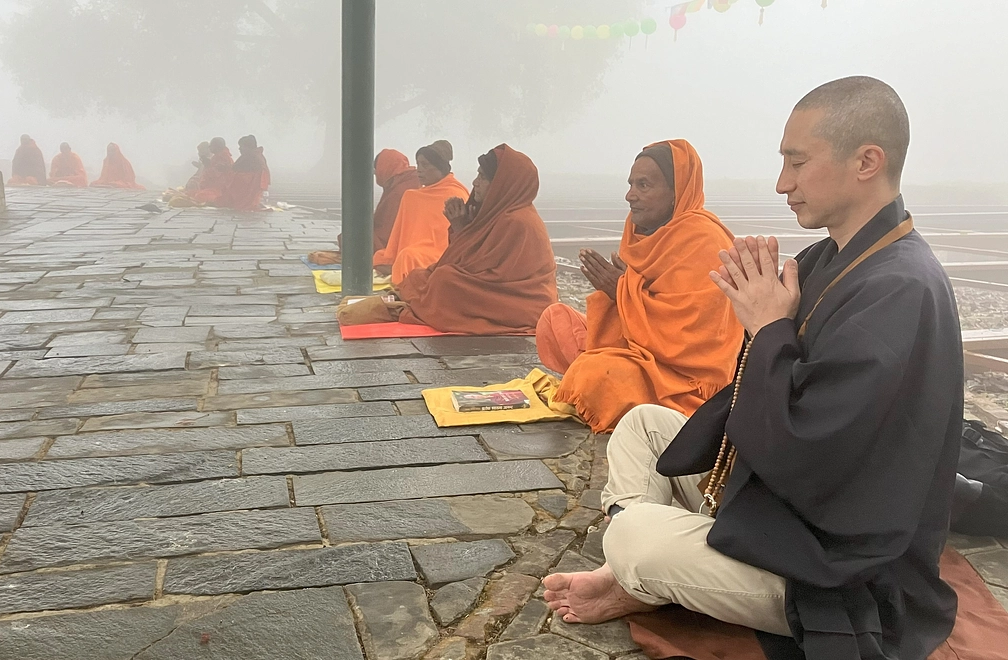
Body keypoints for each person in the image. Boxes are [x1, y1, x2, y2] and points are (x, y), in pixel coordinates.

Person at [543, 76, 963, 660]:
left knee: (637, 536)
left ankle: (638, 571)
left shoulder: (899, 289)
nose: (781, 183)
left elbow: (810, 455)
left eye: (797, 162)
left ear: (868, 161)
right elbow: (755, 393)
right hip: (781, 502)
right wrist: (759, 328)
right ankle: (647, 570)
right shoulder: (830, 257)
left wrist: (767, 329)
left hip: (840, 568)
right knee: (642, 423)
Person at [536, 140, 743, 433]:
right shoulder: (643, 231)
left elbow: (691, 338)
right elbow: (634, 308)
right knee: (555, 319)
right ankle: (604, 376)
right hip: (640, 351)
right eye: (631, 184)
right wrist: (624, 292)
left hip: (683, 378)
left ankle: (608, 383)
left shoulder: (704, 240)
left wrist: (621, 291)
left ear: (677, 191)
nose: (630, 195)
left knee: (594, 374)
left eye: (644, 185)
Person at [394, 144, 558, 334]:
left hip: (522, 301)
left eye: (482, 177)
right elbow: (470, 261)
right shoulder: (499, 213)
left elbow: (486, 271)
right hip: (496, 291)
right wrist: (460, 225)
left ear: (501, 184)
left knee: (443, 279)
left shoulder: (517, 221)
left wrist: (460, 228)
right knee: (422, 276)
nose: (474, 182)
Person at [372, 139, 468, 285]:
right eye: (418, 165)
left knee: (407, 256)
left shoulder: (456, 194)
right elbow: (401, 237)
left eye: (425, 165)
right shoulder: (411, 196)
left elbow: (457, 237)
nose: (419, 170)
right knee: (383, 257)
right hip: (414, 250)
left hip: (442, 254)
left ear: (440, 168)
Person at [220, 135, 270, 211]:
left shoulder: (251, 155)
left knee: (230, 179)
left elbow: (235, 169)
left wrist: (225, 169)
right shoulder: (255, 155)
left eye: (241, 146)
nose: (239, 149)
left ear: (248, 147)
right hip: (252, 184)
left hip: (249, 184)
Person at [191, 137, 234, 204]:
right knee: (193, 193)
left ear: (217, 146)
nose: (210, 148)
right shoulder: (217, 156)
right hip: (211, 188)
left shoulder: (223, 157)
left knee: (199, 196)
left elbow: (217, 175)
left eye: (211, 146)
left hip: (219, 190)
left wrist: (208, 165)